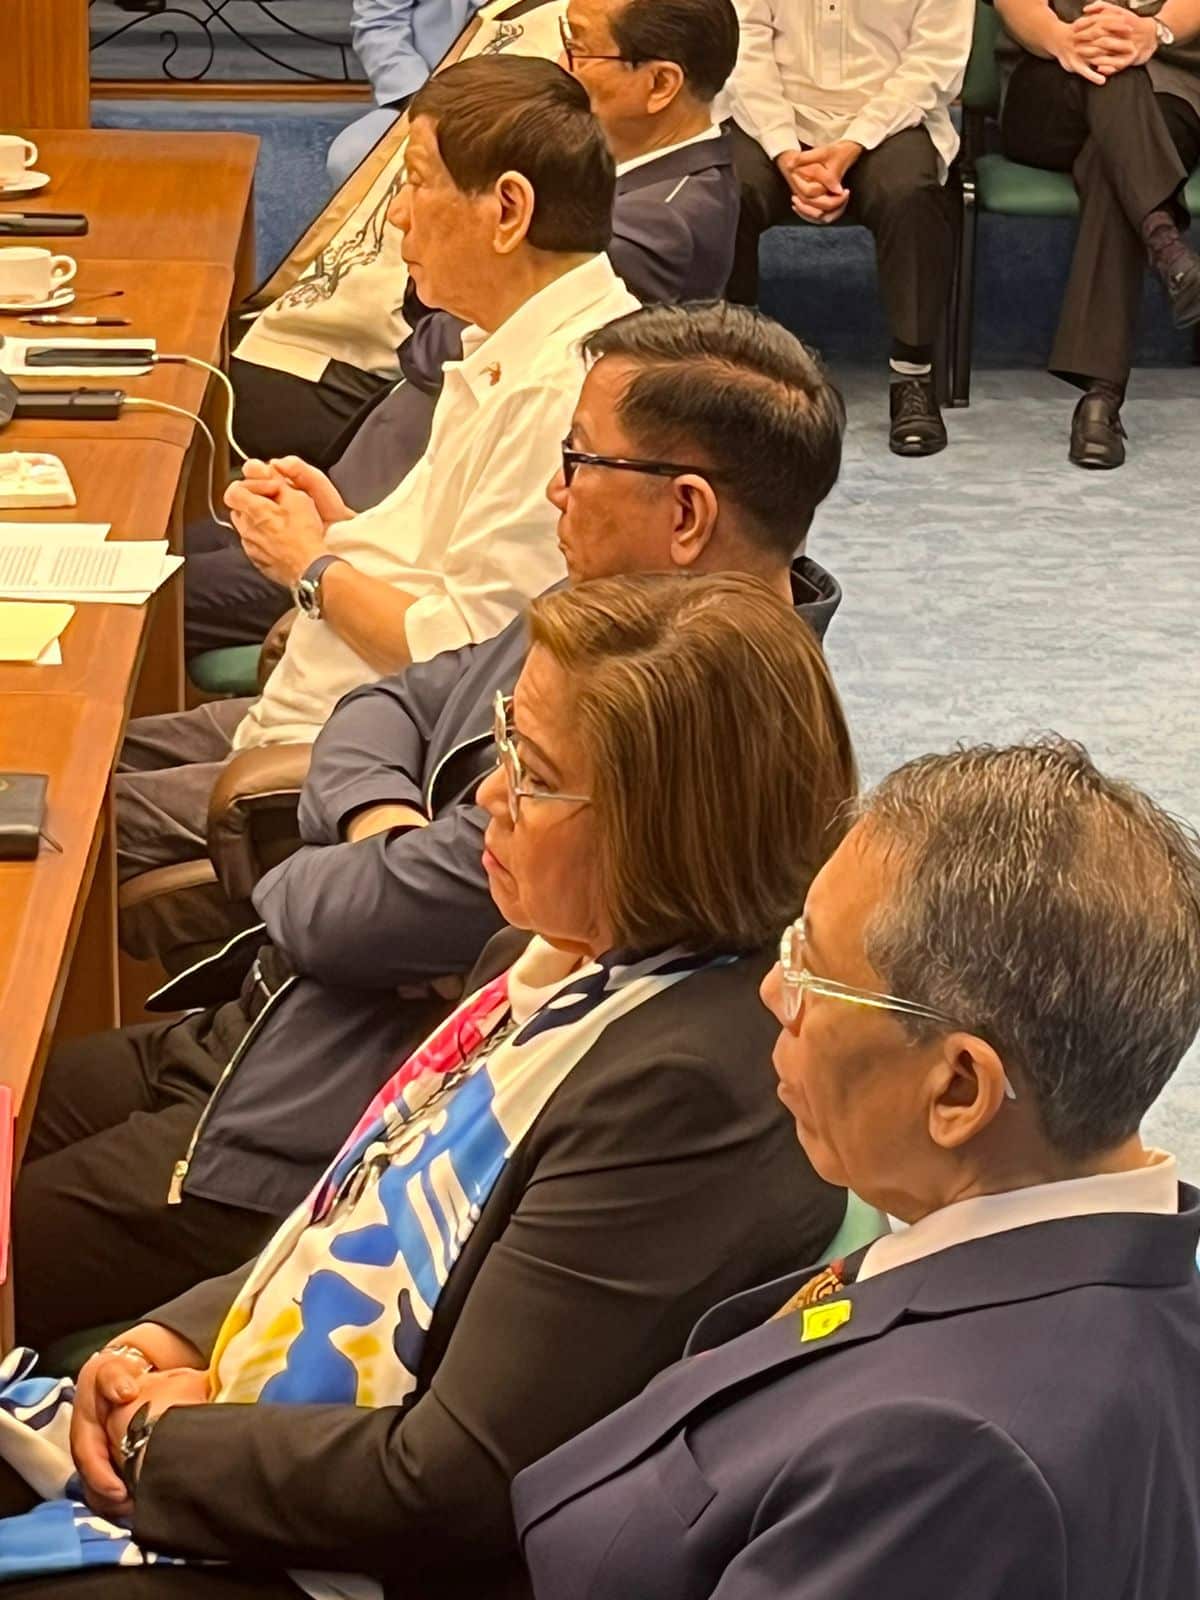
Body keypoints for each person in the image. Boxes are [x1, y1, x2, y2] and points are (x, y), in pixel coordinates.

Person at [0, 573, 856, 1600]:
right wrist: (170, 1334)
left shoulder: (692, 1093)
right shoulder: (546, 958)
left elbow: (455, 1479)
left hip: (349, 1567)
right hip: (265, 1454)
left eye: (534, 775)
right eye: (503, 742)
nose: (490, 795)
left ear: (669, 829)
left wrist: (159, 1443)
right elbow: (354, 1211)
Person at [14, 303, 848, 1354]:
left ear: (685, 514)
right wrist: (381, 826)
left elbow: (340, 923)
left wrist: (338, 872)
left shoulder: (698, 738)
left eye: (579, 461)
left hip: (311, 1137)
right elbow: (391, 702)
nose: (555, 489)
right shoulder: (608, 608)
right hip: (263, 1033)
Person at [514, 737, 1200, 1600]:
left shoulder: (951, 1464)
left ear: (957, 1088)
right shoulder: (1119, 1258)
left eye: (813, 971)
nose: (772, 990)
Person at [113, 55, 638, 957]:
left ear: (507, 210)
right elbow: (440, 556)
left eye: (417, 184)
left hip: (336, 758)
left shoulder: (564, 391)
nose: (397, 214)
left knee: (55, 813)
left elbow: (468, 653)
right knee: (55, 756)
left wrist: (311, 567)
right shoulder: (513, 344)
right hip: (304, 704)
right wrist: (338, 525)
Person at [187, 0, 743, 655]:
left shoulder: (650, 238)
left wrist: (319, 555)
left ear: (660, 84)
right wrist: (343, 526)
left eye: (579, 50)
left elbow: (463, 633)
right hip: (382, 509)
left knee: (156, 577)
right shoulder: (526, 307)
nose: (561, 66)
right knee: (163, 537)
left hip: (399, 557)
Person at [725, 0, 974, 457]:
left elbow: (934, 61)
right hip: (777, 113)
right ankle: (732, 373)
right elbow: (744, 52)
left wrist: (853, 143)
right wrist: (785, 152)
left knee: (911, 193)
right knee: (727, 192)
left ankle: (913, 375)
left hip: (891, 118)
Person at [996, 0, 1200, 469]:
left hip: (1168, 95)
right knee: (1114, 81)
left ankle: (1100, 401)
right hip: (1050, 83)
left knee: (1115, 165)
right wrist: (1063, 38)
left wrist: (1156, 31)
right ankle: (1166, 247)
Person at [325, 0, 485, 188]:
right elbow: (379, 22)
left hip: (523, 96)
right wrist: (423, 101)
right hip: (426, 90)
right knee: (352, 156)